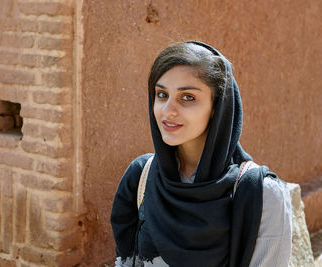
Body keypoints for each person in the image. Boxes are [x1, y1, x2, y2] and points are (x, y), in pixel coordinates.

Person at [110, 41, 292, 267]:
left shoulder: (262, 194)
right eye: (161, 94)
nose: (168, 111)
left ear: (218, 107)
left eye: (188, 97)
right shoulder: (141, 177)